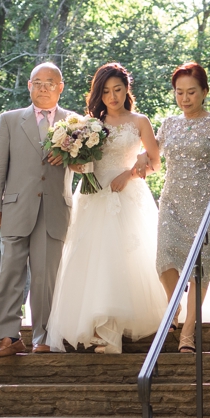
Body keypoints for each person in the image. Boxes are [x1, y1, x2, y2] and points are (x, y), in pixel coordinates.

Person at [46, 63, 169, 353]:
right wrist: (77, 163)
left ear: (127, 89)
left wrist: (130, 173)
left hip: (127, 194)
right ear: (99, 94)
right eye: (105, 91)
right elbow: (78, 163)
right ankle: (98, 329)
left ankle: (113, 332)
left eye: (117, 89)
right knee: (94, 259)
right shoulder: (89, 124)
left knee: (123, 258)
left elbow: (154, 162)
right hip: (92, 196)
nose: (112, 96)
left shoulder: (140, 121)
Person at [0, 62, 77, 357]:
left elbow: (87, 167)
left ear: (60, 87)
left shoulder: (75, 122)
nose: (44, 87)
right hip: (14, 208)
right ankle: (7, 337)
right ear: (29, 85)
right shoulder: (9, 120)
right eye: (38, 82)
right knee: (10, 272)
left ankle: (44, 336)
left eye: (51, 82)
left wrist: (72, 158)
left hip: (53, 210)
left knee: (45, 278)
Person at [137, 62, 210, 353]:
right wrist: (140, 158)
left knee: (199, 269)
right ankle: (173, 303)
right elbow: (155, 153)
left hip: (205, 205)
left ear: (204, 92)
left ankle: (188, 332)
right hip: (172, 203)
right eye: (179, 93)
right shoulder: (169, 123)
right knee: (164, 260)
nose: (185, 98)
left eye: (191, 92)